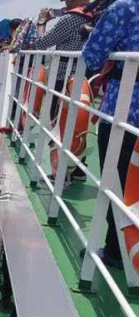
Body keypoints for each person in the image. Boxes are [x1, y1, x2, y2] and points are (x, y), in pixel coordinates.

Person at [82, 0, 139, 269]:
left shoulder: (125, 8)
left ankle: (117, 250)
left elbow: (92, 56)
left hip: (125, 110)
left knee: (117, 181)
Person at [33, 0, 92, 120]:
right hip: (86, 74)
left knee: (55, 115)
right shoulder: (96, 16)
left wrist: (41, 22)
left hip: (64, 75)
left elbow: (41, 43)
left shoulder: (70, 18)